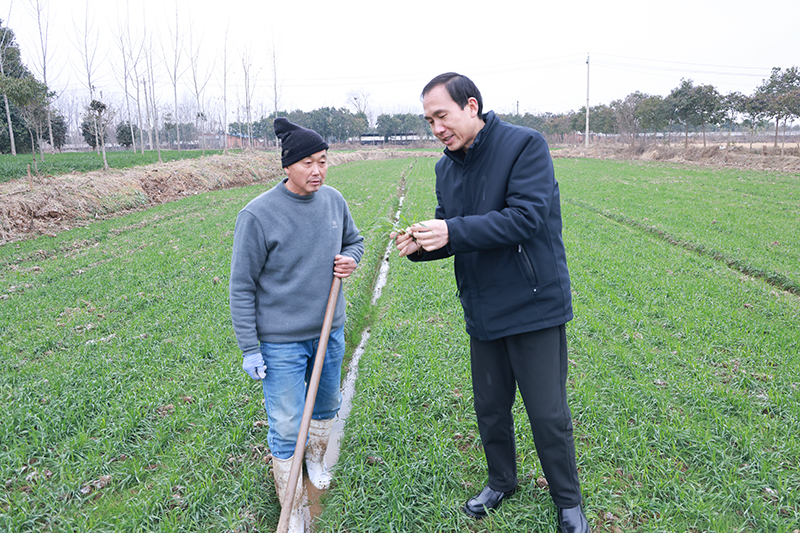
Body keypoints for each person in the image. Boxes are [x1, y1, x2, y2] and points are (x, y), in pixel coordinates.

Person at [392, 73, 589, 533]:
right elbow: (451, 232)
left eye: (441, 116)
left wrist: (453, 232)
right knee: (491, 408)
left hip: (532, 303)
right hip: (482, 307)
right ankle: (501, 480)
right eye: (429, 121)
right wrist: (425, 245)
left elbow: (525, 218)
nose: (436, 128)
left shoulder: (524, 146)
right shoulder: (445, 167)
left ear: (472, 106)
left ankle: (568, 501)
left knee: (547, 413)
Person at [229, 117, 364, 532]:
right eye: (307, 162)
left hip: (329, 330)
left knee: (325, 407)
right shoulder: (258, 215)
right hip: (280, 343)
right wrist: (251, 348)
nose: (317, 171)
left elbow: (353, 241)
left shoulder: (334, 202)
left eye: (323, 161)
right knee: (287, 422)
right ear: (287, 165)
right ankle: (292, 506)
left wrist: (352, 259)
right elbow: (241, 286)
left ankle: (316, 463)